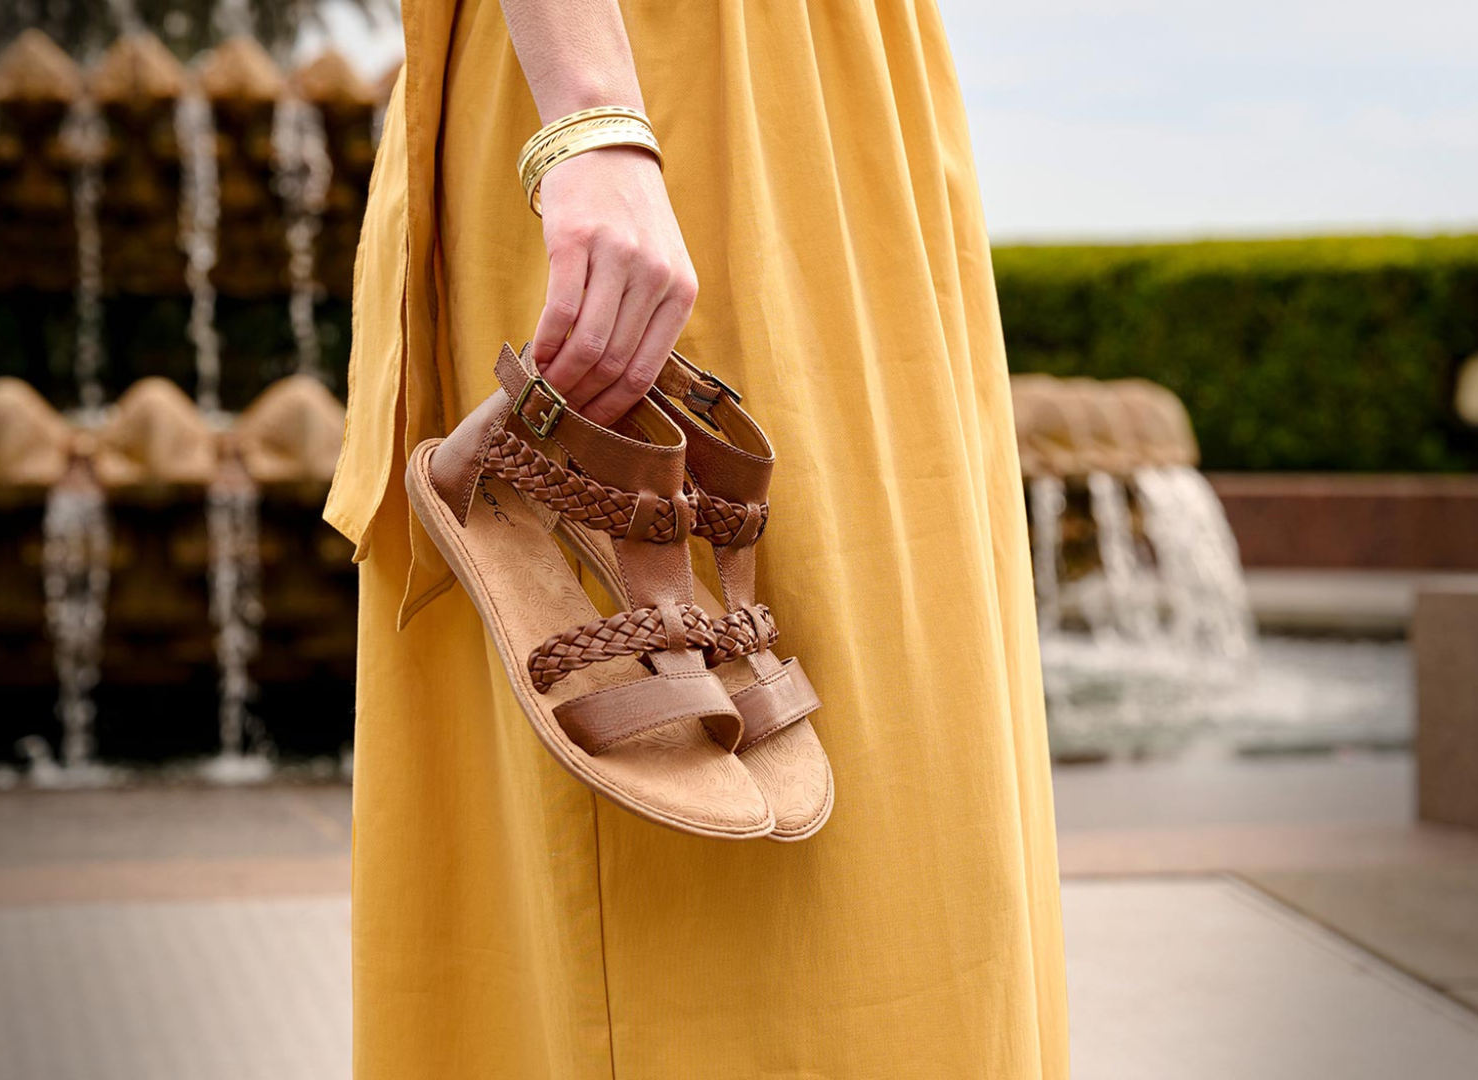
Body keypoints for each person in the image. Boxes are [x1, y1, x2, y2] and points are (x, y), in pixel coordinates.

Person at [323, 0, 1068, 1075]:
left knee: (929, 828)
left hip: (859, 98)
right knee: (720, 946)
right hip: (665, 81)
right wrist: (592, 118)